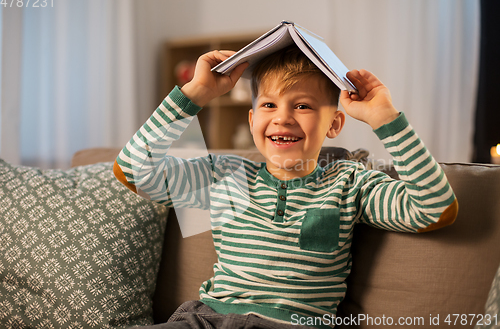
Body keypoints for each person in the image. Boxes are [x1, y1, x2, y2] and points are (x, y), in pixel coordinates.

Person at [114, 46, 458, 329]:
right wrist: (197, 92)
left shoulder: (349, 182)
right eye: (268, 105)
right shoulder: (224, 176)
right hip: (207, 319)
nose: (282, 117)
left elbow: (434, 208)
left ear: (334, 123)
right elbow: (133, 170)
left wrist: (384, 118)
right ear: (252, 121)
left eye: (303, 105)